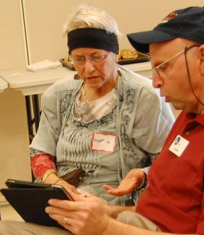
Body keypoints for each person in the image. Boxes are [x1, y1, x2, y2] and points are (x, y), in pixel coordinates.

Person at [0, 6, 204, 235]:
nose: (154, 82)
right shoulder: (195, 113)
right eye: (78, 59)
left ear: (203, 58)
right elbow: (162, 204)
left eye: (162, 68)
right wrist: (106, 213)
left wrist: (104, 227)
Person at [28, 4, 175, 206]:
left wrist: (142, 174)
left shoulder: (144, 97)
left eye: (97, 57)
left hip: (117, 207)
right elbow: (39, 152)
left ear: (115, 54)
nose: (88, 68)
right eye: (79, 59)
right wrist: (53, 181)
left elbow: (170, 162)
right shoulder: (58, 95)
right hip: (64, 202)